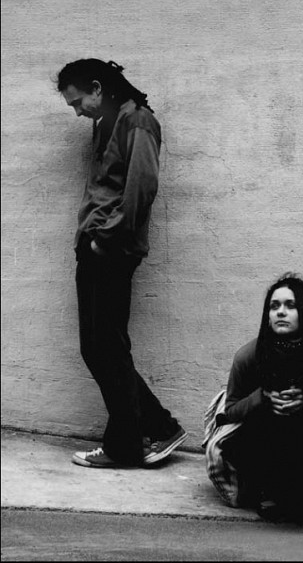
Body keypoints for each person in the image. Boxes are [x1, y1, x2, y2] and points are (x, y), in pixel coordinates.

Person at [56, 58, 187, 468]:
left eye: (78, 101)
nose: (78, 112)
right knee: (100, 347)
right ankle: (160, 427)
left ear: (97, 88)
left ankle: (126, 444)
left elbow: (141, 188)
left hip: (111, 250)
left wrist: (105, 241)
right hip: (96, 245)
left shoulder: (138, 121)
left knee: (104, 347)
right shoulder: (107, 123)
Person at [209, 273, 303, 524]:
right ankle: (269, 491)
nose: (280, 312)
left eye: (290, 305)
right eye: (274, 306)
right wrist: (262, 398)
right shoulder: (249, 355)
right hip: (261, 444)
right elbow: (230, 410)